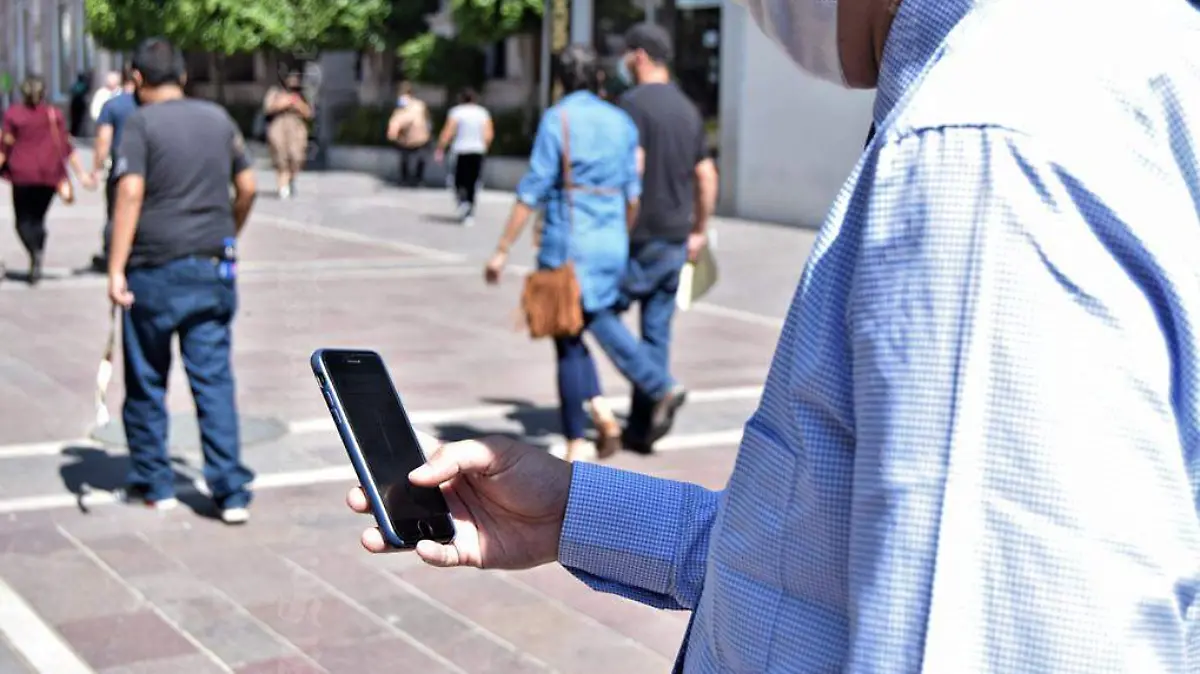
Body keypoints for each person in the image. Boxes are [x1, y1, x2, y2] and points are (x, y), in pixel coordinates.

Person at [347, 0, 1200, 671]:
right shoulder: (1121, 56)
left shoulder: (982, 146)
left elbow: (981, 631)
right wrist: (574, 510)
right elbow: (824, 557)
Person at [481, 45, 686, 461]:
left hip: (569, 243)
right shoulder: (621, 121)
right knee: (575, 329)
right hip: (611, 238)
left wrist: (502, 249)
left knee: (578, 326)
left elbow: (533, 189)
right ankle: (597, 421)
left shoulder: (559, 118)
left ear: (561, 79)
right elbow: (633, 194)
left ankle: (653, 386)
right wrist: (620, 236)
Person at [108, 37, 257, 524]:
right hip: (211, 266)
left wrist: (115, 267)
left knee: (148, 380)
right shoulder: (217, 119)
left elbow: (130, 193)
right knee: (212, 380)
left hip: (153, 269)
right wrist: (228, 231)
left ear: (136, 79)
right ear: (183, 76)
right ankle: (230, 491)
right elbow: (249, 185)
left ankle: (156, 484)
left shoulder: (139, 123)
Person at [615, 23, 719, 454]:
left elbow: (628, 170)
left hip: (635, 235)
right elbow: (706, 174)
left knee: (593, 309)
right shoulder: (688, 109)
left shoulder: (629, 107)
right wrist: (699, 230)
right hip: (676, 237)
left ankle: (659, 385)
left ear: (638, 56)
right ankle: (641, 429)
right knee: (656, 331)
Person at [0, 76, 96, 285]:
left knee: (23, 221)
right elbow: (66, 146)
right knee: (38, 217)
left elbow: (5, 147)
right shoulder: (54, 115)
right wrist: (81, 174)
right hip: (49, 175)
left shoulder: (14, 115)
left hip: (22, 175)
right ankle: (38, 248)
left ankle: (35, 250)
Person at [90, 66, 138, 270]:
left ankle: (112, 254)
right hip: (148, 168)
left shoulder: (112, 105)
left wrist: (97, 167)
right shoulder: (150, 105)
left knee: (115, 213)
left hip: (120, 168)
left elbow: (103, 140)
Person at [434, 89, 493, 225]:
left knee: (458, 179)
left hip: (461, 149)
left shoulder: (457, 112)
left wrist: (440, 148)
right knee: (473, 180)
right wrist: (485, 147)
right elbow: (488, 133)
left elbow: (448, 131)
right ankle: (470, 208)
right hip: (477, 150)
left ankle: (463, 202)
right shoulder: (482, 112)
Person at [262, 70, 312, 199]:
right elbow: (268, 108)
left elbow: (309, 113)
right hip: (278, 126)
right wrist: (284, 103)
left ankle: (290, 179)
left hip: (296, 128)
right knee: (280, 156)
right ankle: (283, 187)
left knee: (297, 157)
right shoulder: (275, 92)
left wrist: (297, 104)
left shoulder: (302, 95)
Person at [386, 82, 432, 187]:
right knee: (415, 158)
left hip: (410, 137)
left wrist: (392, 132)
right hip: (418, 137)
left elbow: (397, 120)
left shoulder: (405, 104)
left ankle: (408, 178)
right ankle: (414, 179)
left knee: (407, 158)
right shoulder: (419, 104)